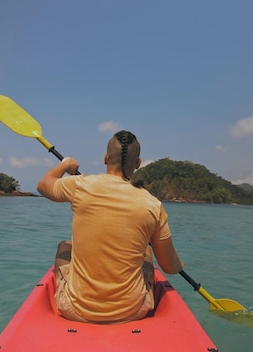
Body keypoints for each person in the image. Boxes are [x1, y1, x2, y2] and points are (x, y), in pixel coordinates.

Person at [37, 130, 184, 323]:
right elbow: (169, 267)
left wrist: (65, 165)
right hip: (133, 311)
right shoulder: (153, 204)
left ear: (105, 158)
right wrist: (180, 265)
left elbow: (43, 185)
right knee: (147, 254)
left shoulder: (81, 185)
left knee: (65, 246)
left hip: (76, 309)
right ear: (138, 164)